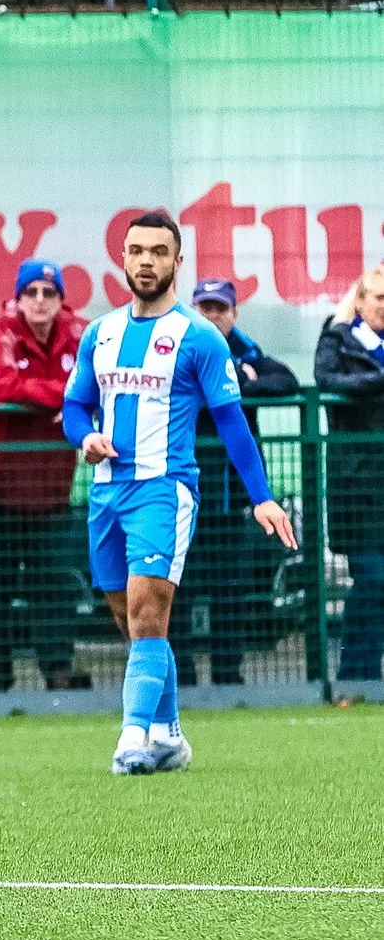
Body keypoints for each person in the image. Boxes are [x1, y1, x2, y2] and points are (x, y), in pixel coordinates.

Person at [64, 211, 295, 775]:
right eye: (137, 250)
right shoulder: (101, 333)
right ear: (122, 258)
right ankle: (168, 735)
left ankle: (131, 739)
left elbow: (233, 422)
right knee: (131, 620)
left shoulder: (199, 336)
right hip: (105, 491)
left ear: (177, 261)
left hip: (165, 490)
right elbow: (74, 406)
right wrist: (87, 435)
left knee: (149, 611)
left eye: (158, 252)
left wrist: (261, 496)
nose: (146, 261)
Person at [0, 259, 89, 692]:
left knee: (54, 586)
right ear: (17, 299)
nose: (39, 301)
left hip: (50, 490)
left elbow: (94, 384)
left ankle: (57, 672)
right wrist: (63, 395)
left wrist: (47, 391)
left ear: (61, 301)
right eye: (30, 293)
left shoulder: (82, 333)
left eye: (48, 293)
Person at [179, 278, 300, 685]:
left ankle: (228, 674)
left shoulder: (248, 351)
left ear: (233, 313)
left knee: (228, 590)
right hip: (183, 490)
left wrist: (241, 382)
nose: (212, 316)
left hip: (231, 496)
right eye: (205, 308)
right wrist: (231, 381)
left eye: (220, 308)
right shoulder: (179, 346)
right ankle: (182, 676)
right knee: (177, 588)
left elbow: (285, 381)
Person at [314, 266, 384, 681]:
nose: (383, 307)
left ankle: (367, 678)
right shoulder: (338, 338)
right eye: (378, 297)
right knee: (372, 578)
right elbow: (325, 380)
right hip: (357, 484)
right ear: (359, 301)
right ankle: (356, 675)